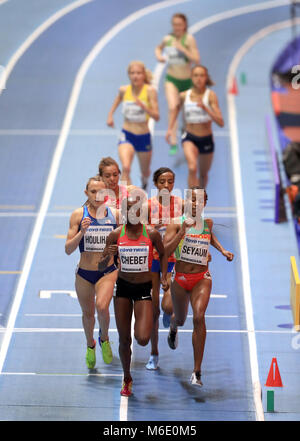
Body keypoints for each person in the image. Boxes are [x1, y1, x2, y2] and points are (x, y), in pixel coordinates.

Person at [98, 190, 168, 397]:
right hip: (123, 290)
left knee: (143, 338)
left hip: (144, 289)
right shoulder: (115, 234)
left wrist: (164, 276)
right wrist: (107, 256)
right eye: (128, 209)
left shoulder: (152, 234)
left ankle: (145, 350)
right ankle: (127, 377)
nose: (132, 212)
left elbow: (163, 254)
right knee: (124, 340)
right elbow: (102, 266)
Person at [163, 187, 234, 386]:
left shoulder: (207, 223)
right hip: (181, 278)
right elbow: (165, 250)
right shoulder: (175, 224)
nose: (196, 204)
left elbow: (209, 236)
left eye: (200, 201)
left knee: (199, 316)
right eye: (193, 200)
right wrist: (182, 234)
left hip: (202, 277)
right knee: (182, 319)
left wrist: (222, 250)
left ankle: (197, 372)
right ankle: (174, 327)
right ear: (186, 202)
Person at [65, 176, 119, 369]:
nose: (98, 195)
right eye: (93, 191)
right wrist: (82, 232)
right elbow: (68, 249)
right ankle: (90, 345)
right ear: (86, 193)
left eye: (101, 192)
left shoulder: (115, 214)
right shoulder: (78, 215)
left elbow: (126, 242)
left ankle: (104, 338)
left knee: (102, 307)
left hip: (107, 271)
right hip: (84, 274)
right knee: (88, 315)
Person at [145, 167, 183, 370]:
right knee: (153, 311)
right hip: (152, 261)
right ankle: (154, 354)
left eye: (170, 181)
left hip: (173, 260)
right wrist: (153, 229)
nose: (166, 185)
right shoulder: (147, 206)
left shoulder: (183, 206)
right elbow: (138, 232)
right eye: (162, 182)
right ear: (155, 184)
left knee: (167, 307)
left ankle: (170, 317)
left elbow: (194, 230)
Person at [166, 65, 224, 188]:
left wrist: (206, 109)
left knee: (203, 174)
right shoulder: (184, 96)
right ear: (191, 78)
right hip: (189, 137)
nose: (199, 79)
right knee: (192, 167)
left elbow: (221, 122)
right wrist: (170, 129)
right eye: (196, 75)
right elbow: (175, 111)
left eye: (202, 76)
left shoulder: (211, 96)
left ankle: (200, 199)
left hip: (206, 139)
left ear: (206, 78)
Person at [106, 60, 159, 190]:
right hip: (127, 134)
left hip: (143, 137)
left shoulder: (150, 91)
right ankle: (127, 201)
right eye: (132, 73)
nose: (135, 76)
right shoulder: (124, 90)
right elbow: (118, 99)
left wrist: (144, 107)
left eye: (138, 73)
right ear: (129, 75)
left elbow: (156, 116)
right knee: (126, 167)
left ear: (143, 75)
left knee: (145, 171)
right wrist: (110, 115)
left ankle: (144, 179)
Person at [155, 13, 200, 156]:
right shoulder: (168, 39)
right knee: (173, 107)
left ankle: (185, 133)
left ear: (185, 25)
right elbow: (158, 48)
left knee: (186, 113)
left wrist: (183, 49)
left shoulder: (189, 39)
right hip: (172, 79)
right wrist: (159, 56)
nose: (177, 27)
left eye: (180, 25)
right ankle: (173, 142)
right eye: (175, 24)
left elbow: (197, 59)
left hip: (187, 81)